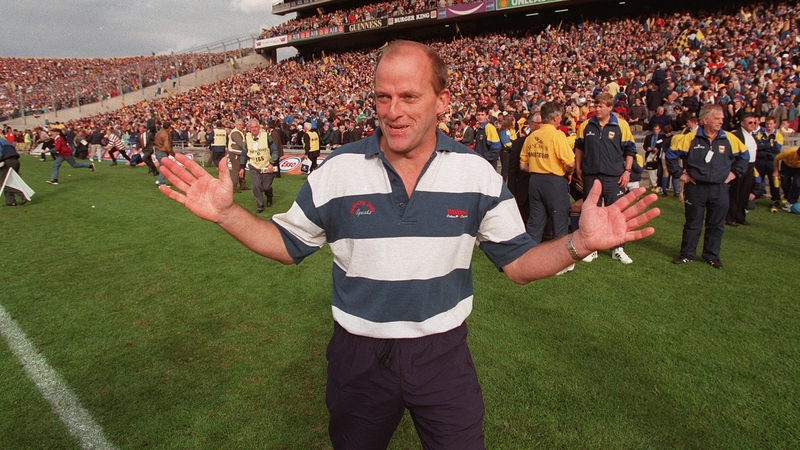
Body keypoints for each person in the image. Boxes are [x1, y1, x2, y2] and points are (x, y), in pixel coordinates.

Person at [157, 40, 659, 449]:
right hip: (357, 356)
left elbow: (520, 264)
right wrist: (226, 213)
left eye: (409, 97)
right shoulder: (337, 171)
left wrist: (580, 242)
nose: (393, 112)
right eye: (382, 97)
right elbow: (287, 243)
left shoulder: (476, 174)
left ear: (442, 101)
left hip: (443, 356)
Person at [667, 104, 749, 269]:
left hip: (720, 189)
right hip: (696, 188)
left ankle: (711, 256)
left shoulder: (729, 138)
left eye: (722, 118)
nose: (721, 121)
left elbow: (745, 156)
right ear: (705, 120)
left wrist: (734, 174)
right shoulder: (690, 138)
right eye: (717, 118)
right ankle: (687, 254)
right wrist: (680, 174)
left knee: (716, 224)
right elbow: (671, 155)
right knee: (693, 223)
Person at [574, 92, 637, 264]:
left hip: (613, 177)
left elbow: (630, 150)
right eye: (596, 105)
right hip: (591, 175)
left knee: (616, 212)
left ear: (610, 107)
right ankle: (591, 248)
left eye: (601, 106)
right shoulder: (586, 125)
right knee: (591, 213)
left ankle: (618, 248)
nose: (597, 109)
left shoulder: (621, 125)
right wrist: (578, 166)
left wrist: (627, 171)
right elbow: (579, 147)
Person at [519, 102, 575, 249]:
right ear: (555, 118)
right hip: (554, 181)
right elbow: (570, 163)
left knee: (535, 221)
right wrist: (568, 172)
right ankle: (560, 259)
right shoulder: (557, 135)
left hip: (535, 180)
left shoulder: (531, 136)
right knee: (559, 219)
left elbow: (523, 165)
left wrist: (538, 165)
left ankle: (529, 256)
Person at [726, 113, 758, 226]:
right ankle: (730, 217)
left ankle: (740, 216)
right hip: (740, 165)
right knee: (735, 191)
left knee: (744, 192)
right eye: (750, 122)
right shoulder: (737, 134)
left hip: (750, 166)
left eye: (755, 122)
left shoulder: (752, 135)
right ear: (743, 123)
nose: (753, 124)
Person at [240, 119, 278, 213]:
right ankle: (260, 205)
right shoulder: (247, 138)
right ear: (249, 129)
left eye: (256, 127)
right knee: (256, 186)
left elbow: (275, 150)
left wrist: (271, 163)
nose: (254, 129)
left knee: (266, 187)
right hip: (254, 166)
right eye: (252, 127)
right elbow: (244, 153)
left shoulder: (266, 137)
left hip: (266, 166)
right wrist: (242, 167)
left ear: (259, 128)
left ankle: (269, 196)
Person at [1, 137, 27, 206]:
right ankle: (10, 201)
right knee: (8, 181)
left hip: (7, 162)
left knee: (3, 183)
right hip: (15, 161)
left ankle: (23, 194)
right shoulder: (6, 142)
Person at [474, 106, 501, 170]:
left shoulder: (489, 128)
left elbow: (496, 147)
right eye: (478, 115)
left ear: (487, 116)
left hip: (488, 164)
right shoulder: (480, 129)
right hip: (480, 162)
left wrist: (486, 158)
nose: (480, 117)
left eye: (482, 115)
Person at [774, 146, 800, 211]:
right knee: (785, 183)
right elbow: (776, 159)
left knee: (797, 184)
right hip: (786, 166)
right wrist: (776, 171)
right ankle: (788, 198)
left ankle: (791, 202)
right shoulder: (789, 151)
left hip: (798, 169)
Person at [227, 119, 247, 192]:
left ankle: (243, 185)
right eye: (240, 125)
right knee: (236, 171)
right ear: (235, 125)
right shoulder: (235, 133)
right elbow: (241, 144)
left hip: (239, 154)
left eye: (242, 125)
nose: (242, 126)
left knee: (241, 170)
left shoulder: (239, 132)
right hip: (235, 154)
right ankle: (233, 188)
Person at [154, 120, 174, 187]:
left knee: (162, 166)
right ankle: (161, 182)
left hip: (157, 151)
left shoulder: (158, 132)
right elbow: (167, 146)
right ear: (168, 127)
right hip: (162, 152)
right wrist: (172, 153)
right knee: (164, 167)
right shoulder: (165, 134)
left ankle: (159, 180)